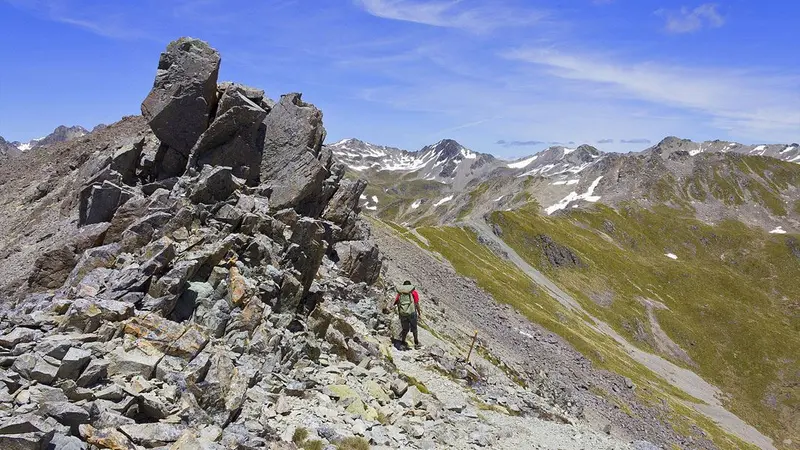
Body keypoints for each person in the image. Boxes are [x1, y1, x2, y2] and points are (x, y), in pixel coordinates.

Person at [390, 280, 422, 349]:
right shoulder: (413, 292)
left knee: (405, 329)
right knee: (414, 328)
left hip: (403, 314)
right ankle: (416, 342)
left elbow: (395, 302)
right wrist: (419, 313)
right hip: (412, 313)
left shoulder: (400, 293)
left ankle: (403, 342)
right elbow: (416, 303)